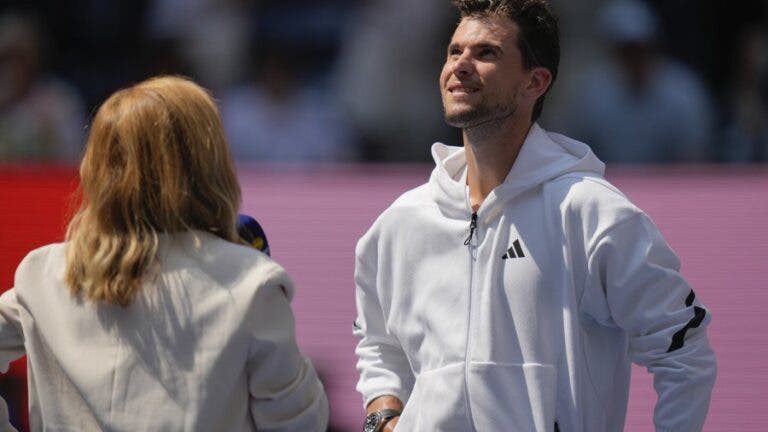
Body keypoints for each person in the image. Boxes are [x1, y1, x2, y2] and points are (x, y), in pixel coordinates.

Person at [353, 1, 716, 431]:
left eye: (486, 53)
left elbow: (684, 349)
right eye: (454, 52)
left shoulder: (593, 214)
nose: (461, 65)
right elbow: (378, 343)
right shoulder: (400, 223)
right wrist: (384, 417)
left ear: (535, 82)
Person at [0, 76, 328, 431]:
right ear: (210, 164)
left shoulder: (41, 274)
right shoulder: (251, 282)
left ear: (96, 167)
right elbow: (298, 422)